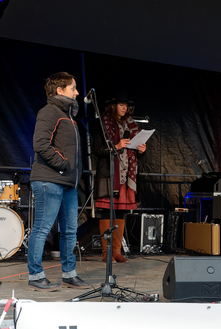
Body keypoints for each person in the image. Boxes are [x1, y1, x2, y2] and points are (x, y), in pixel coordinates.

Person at [28, 72, 89, 290]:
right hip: (49, 180)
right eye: (73, 88)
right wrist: (63, 164)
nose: (78, 92)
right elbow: (41, 144)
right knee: (43, 228)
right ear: (60, 90)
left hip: (67, 183)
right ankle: (35, 275)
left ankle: (69, 273)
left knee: (70, 230)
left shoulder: (69, 116)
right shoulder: (49, 111)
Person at [93, 96, 147, 263]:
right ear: (113, 105)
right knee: (105, 211)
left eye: (126, 105)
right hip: (110, 173)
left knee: (121, 211)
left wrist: (141, 150)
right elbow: (97, 149)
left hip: (126, 175)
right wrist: (116, 146)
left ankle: (116, 251)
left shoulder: (131, 125)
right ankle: (106, 253)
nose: (124, 108)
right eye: (121, 104)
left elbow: (134, 151)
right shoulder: (104, 123)